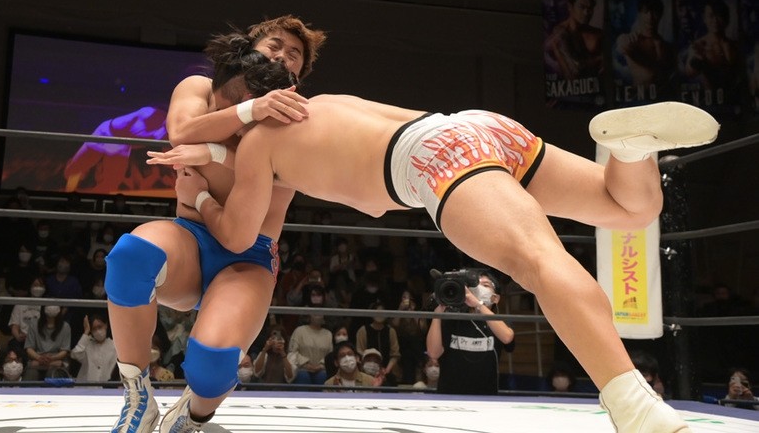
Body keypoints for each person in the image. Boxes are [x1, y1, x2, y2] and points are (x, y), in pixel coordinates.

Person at [155, 57, 720, 432]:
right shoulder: (325, 102)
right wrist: (216, 153)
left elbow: (238, 235)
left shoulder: (259, 142)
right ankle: (629, 150)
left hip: (433, 159)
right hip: (479, 127)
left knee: (540, 261)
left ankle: (633, 405)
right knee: (632, 208)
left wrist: (197, 194)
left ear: (240, 108)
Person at [104, 16, 326, 433]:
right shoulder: (200, 87)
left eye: (294, 54)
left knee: (212, 365)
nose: (282, 55)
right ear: (249, 46)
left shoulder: (299, 120)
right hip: (190, 239)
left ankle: (192, 416)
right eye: (275, 45)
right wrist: (251, 108)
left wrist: (211, 162)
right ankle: (137, 397)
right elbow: (180, 133)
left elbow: (269, 186)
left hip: (247, 255)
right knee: (131, 255)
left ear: (299, 73)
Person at [426, 268, 515, 395]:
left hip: (486, 397)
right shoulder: (452, 318)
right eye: (476, 285)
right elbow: (433, 353)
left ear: (496, 298)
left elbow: (507, 337)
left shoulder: (499, 322)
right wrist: (438, 314)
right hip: (449, 396)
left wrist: (478, 304)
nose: (479, 288)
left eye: (485, 285)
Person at [614, 0, 675, 88]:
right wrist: (622, 41)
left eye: (654, 12)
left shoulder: (666, 46)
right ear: (639, 14)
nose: (650, 17)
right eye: (646, 12)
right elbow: (621, 46)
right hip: (640, 95)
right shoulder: (631, 40)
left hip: (665, 95)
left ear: (660, 15)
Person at [683, 0, 742, 93]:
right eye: (711, 16)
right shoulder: (699, 45)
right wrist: (698, 60)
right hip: (709, 97)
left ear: (726, 18)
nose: (715, 20)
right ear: (704, 18)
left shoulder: (734, 45)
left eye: (719, 16)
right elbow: (689, 73)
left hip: (733, 97)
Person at [545, 0, 604, 80]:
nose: (586, 13)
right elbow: (574, 71)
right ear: (570, 7)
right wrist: (599, 59)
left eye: (590, 8)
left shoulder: (597, 34)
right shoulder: (560, 32)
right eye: (582, 7)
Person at [355, 301, 401, 386]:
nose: (380, 315)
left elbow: (395, 355)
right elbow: (360, 352)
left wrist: (386, 370)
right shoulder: (363, 330)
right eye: (377, 311)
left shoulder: (391, 331)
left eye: (382, 312)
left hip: (387, 371)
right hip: (367, 369)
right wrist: (369, 367)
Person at [24, 304, 71, 381]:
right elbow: (29, 348)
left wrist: (52, 358)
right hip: (37, 360)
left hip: (56, 361)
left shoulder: (65, 326)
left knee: (52, 374)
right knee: (31, 374)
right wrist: (39, 358)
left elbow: (64, 351)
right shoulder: (34, 324)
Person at [288, 311, 333, 386]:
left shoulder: (328, 334)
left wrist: (321, 366)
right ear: (309, 315)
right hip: (301, 368)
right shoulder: (299, 330)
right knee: (303, 376)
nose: (317, 314)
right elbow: (292, 352)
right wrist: (305, 364)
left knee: (322, 376)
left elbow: (330, 355)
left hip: (321, 370)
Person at [70, 313, 118, 383]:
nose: (98, 331)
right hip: (86, 386)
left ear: (106, 325)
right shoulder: (87, 344)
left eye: (100, 327)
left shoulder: (115, 346)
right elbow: (75, 354)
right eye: (94, 329)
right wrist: (86, 331)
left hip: (106, 386)